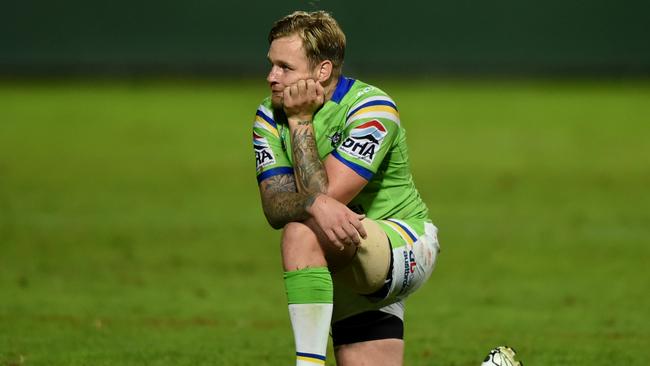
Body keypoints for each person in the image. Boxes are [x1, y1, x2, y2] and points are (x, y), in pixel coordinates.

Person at [252, 10, 440, 366]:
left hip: (400, 243)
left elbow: (328, 197)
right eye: (271, 64)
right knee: (305, 221)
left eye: (285, 67)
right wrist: (311, 203)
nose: (271, 77)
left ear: (322, 71)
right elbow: (274, 206)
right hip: (340, 257)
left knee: (300, 232)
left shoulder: (371, 109)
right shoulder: (267, 116)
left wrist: (301, 121)